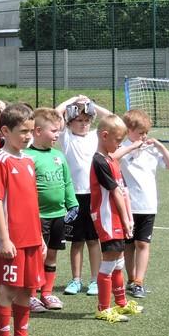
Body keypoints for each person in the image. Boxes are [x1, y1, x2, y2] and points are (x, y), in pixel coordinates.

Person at [0, 103, 52, 336]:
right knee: (9, 290)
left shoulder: (27, 160)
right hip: (12, 241)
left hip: (32, 239)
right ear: (5, 131)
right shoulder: (1, 161)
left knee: (27, 289)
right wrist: (4, 239)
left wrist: (40, 237)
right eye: (23, 131)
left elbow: (31, 203)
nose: (28, 136)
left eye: (31, 131)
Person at [114, 109, 169, 299]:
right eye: (140, 133)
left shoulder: (151, 149)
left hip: (148, 204)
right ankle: (131, 279)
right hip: (127, 205)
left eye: (146, 133)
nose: (144, 136)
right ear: (128, 131)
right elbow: (112, 159)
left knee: (143, 243)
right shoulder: (122, 147)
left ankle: (139, 282)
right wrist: (132, 147)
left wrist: (160, 146)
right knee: (128, 245)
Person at [55, 94, 112, 297]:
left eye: (87, 120)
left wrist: (91, 104)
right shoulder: (66, 137)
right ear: (70, 122)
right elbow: (56, 113)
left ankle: (95, 280)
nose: (83, 124)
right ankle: (76, 280)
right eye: (79, 120)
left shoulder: (96, 136)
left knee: (93, 240)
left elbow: (111, 117)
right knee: (77, 241)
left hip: (94, 195)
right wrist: (72, 101)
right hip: (73, 197)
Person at [89, 115, 145, 323]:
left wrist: (134, 145)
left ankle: (121, 303)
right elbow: (115, 193)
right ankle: (103, 308)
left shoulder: (110, 158)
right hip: (108, 219)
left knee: (119, 261)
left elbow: (121, 189)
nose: (120, 145)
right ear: (105, 136)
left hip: (116, 218)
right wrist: (126, 219)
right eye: (118, 141)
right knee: (109, 261)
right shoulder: (99, 161)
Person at [24, 107, 78, 312]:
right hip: (38, 216)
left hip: (59, 215)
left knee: (52, 254)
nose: (57, 135)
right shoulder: (27, 156)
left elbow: (67, 182)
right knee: (37, 256)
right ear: (38, 131)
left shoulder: (58, 156)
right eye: (54, 131)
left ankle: (46, 293)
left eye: (59, 131)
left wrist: (72, 203)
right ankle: (30, 295)